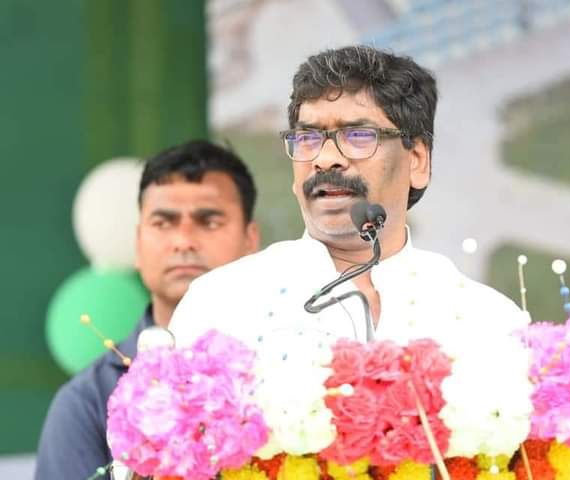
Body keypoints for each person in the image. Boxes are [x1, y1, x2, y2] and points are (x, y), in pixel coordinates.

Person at [169, 46, 525, 351]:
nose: (325, 159)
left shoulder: (485, 322)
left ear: (417, 160)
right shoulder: (221, 305)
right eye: (307, 138)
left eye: (357, 135)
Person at [34, 140, 260, 480]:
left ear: (250, 241)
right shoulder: (88, 402)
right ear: (138, 243)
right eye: (163, 222)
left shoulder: (292, 374)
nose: (183, 240)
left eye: (209, 221)